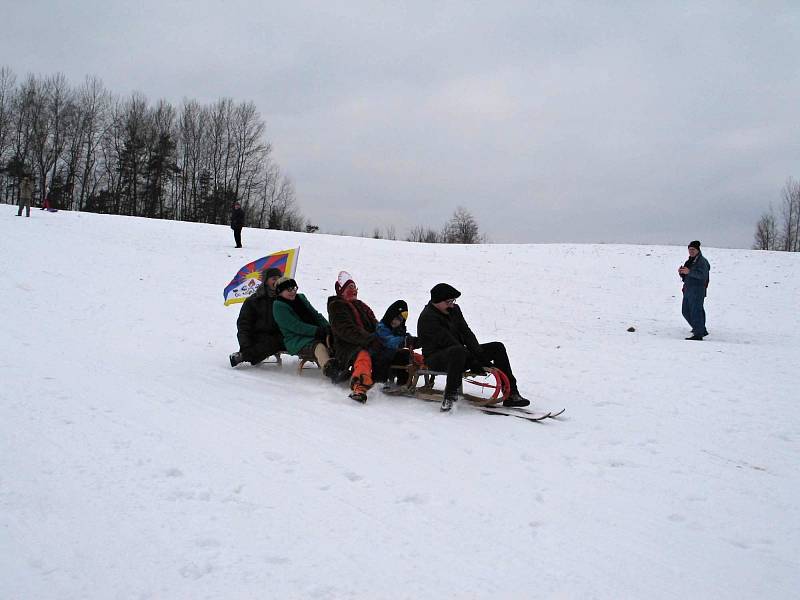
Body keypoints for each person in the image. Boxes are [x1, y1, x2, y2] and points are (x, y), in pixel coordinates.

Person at [417, 283, 530, 412]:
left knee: (497, 347)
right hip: (437, 359)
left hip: (460, 353)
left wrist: (479, 355)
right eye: (448, 301)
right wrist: (473, 360)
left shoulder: (454, 310)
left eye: (453, 301)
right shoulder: (428, 318)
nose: (452, 304)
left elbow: (466, 333)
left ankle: (511, 394)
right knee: (457, 350)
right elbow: (448, 342)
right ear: (437, 301)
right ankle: (449, 397)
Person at [327, 271, 394, 403]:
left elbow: (376, 325)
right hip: (348, 348)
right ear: (341, 290)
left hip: (367, 342)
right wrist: (371, 339)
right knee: (363, 355)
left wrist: (387, 337)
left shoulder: (361, 306)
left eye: (354, 287)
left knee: (394, 349)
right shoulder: (337, 306)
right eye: (349, 288)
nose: (354, 291)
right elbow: (347, 330)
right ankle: (360, 387)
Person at [272, 276, 348, 383]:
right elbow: (295, 326)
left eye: (294, 288)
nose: (293, 292)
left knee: (336, 340)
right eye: (289, 290)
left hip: (315, 332)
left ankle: (346, 365)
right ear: (280, 292)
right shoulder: (278, 306)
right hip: (297, 339)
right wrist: (317, 331)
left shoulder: (301, 298)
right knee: (319, 346)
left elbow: (316, 315)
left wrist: (328, 327)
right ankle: (332, 371)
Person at [230, 267, 285, 367]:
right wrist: (245, 345)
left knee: (276, 340)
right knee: (268, 342)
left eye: (279, 278)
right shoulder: (254, 301)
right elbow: (244, 324)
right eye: (273, 279)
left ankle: (243, 356)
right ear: (265, 281)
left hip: (280, 336)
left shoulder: (285, 299)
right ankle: (246, 354)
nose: (277, 281)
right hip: (258, 336)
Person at [376, 299, 421, 385]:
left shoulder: (399, 330)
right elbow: (389, 341)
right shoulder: (382, 328)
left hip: (392, 357)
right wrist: (404, 340)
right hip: (380, 357)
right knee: (385, 357)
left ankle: (404, 382)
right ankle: (380, 382)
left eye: (400, 320)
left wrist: (415, 341)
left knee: (405, 354)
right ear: (389, 316)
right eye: (395, 318)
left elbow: (406, 337)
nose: (396, 321)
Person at [678, 240, 711, 340]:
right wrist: (682, 272)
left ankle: (698, 333)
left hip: (697, 290)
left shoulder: (702, 261)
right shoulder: (690, 260)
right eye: (689, 249)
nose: (691, 251)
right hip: (688, 289)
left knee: (696, 311)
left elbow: (703, 276)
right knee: (685, 311)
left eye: (693, 249)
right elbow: (687, 275)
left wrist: (689, 272)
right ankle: (700, 329)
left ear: (698, 250)